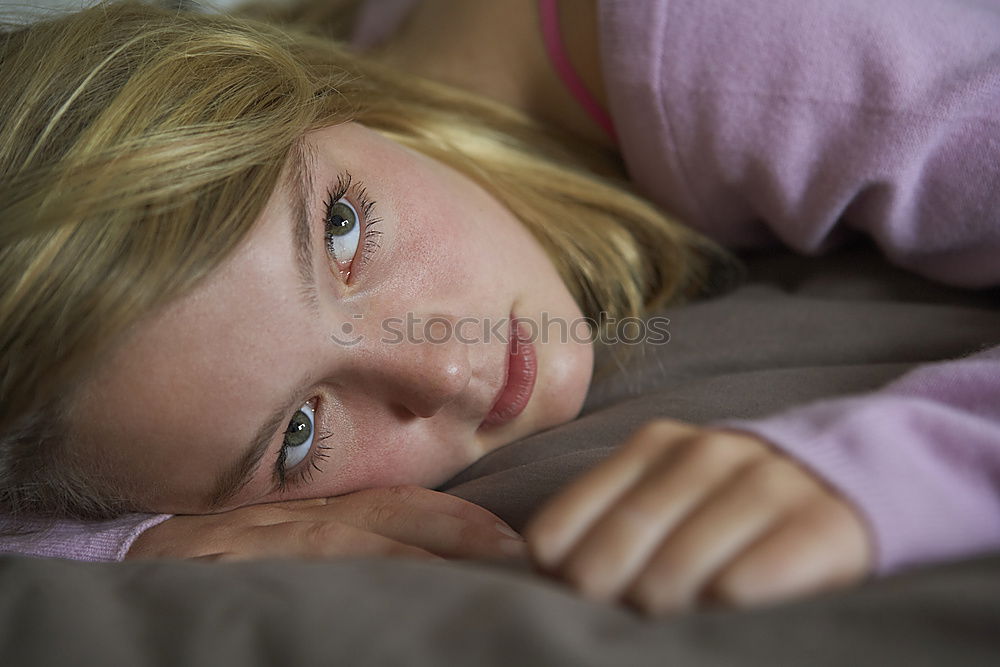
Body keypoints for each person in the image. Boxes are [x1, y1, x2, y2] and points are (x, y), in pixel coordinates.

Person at [1, 0, 998, 617]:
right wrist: (124, 545)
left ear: (316, 97)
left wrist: (888, 476)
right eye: (299, 433)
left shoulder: (741, 47)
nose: (440, 367)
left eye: (344, 234)